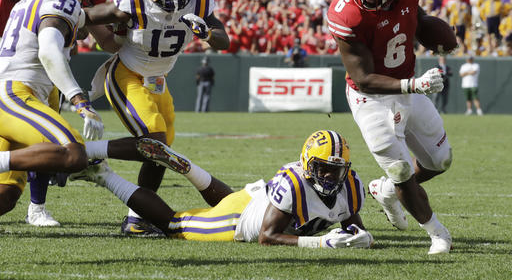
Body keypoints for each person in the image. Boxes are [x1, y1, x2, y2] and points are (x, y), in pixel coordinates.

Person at [81, 0, 229, 236]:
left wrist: (207, 33)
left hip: (158, 80)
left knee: (161, 151)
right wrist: (67, 15)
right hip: (128, 74)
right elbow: (99, 14)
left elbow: (223, 41)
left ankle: (137, 219)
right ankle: (86, 155)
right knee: (154, 141)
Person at [326, 0, 452, 254]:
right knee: (400, 171)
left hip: (409, 86)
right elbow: (363, 78)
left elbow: (415, 18)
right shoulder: (347, 14)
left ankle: (385, 190)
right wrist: (414, 85)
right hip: (370, 98)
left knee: (440, 160)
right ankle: (437, 233)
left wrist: (434, 34)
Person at [71, 130, 373, 248]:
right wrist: (322, 244)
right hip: (240, 221)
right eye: (323, 168)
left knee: (226, 200)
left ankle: (188, 167)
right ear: (308, 163)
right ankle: (102, 174)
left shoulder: (350, 186)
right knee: (175, 225)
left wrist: (363, 239)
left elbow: (354, 230)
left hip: (251, 198)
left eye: (336, 170)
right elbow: (267, 238)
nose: (330, 176)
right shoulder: (295, 183)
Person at [0, 0, 103, 220]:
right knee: (72, 154)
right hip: (13, 94)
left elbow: (94, 17)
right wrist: (79, 100)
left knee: (5, 196)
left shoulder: (31, 1)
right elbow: (48, 50)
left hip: (12, 95)